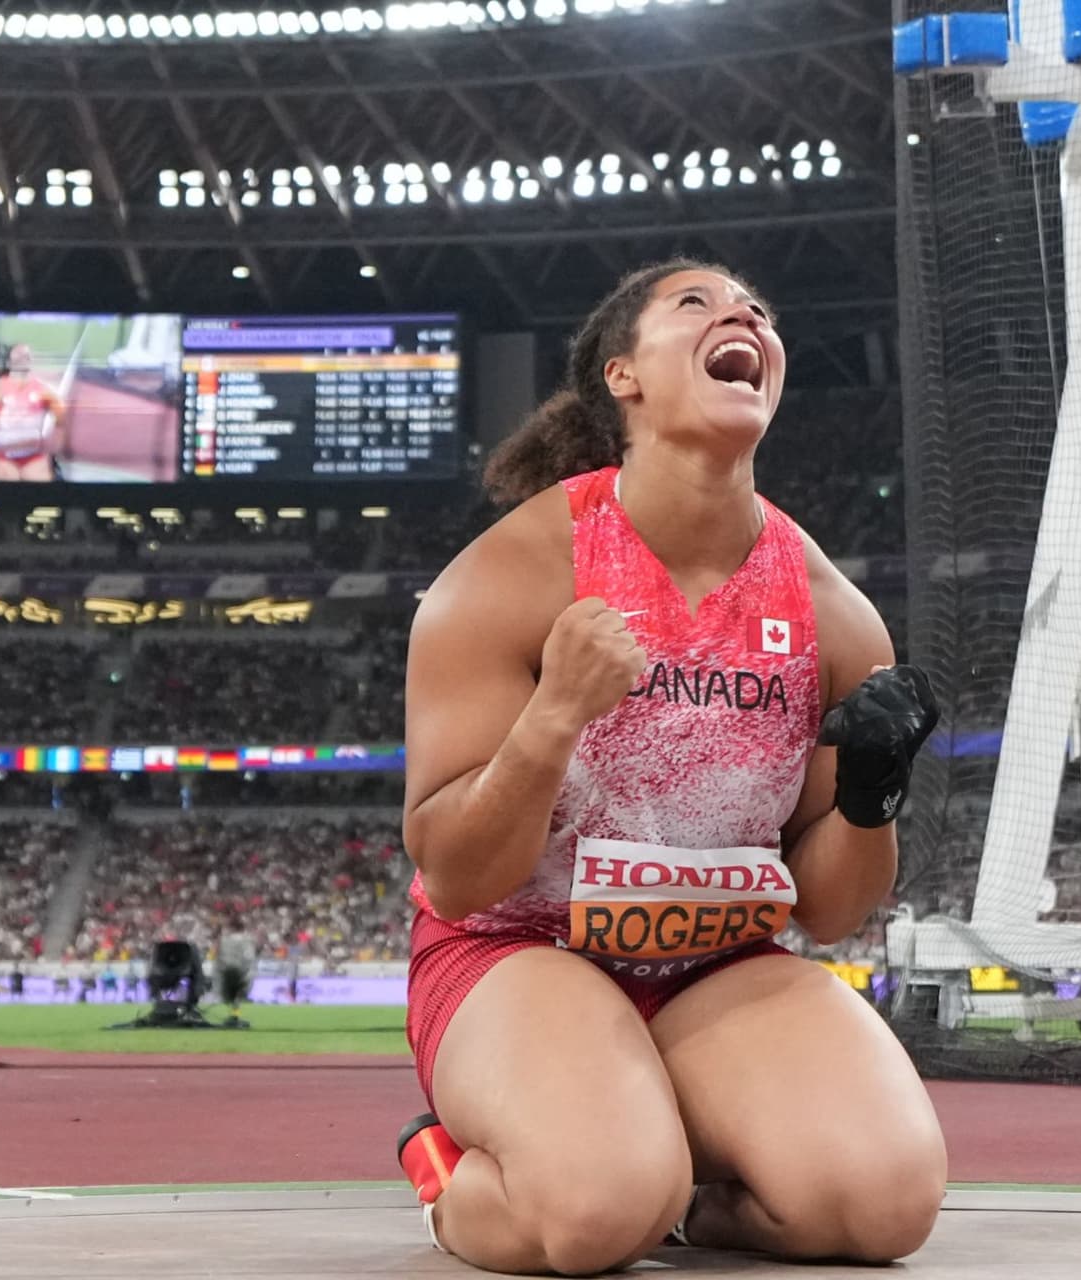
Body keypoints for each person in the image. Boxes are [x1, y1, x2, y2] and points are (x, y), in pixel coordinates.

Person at [394, 260, 947, 1276]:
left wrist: (871, 797)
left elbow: (828, 910)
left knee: (884, 1204)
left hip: (714, 965)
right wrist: (554, 713)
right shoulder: (512, 572)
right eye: (695, 303)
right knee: (595, 1214)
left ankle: (674, 1171)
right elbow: (459, 873)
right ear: (623, 375)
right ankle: (454, 1166)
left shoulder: (833, 613)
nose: (742, 312)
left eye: (757, 308)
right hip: (519, 953)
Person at [0, 342, 68, 482]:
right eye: (19, 356)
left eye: (27, 356)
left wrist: (53, 452)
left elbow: (62, 421)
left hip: (34, 458)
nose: (23, 359)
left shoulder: (44, 390)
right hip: (2, 457)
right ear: (9, 361)